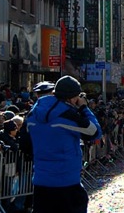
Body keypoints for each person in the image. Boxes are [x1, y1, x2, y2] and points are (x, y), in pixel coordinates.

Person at [27, 75, 101, 213]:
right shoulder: (66, 115)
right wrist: (84, 108)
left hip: (40, 182)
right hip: (67, 182)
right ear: (72, 97)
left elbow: (26, 143)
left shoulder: (32, 113)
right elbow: (95, 132)